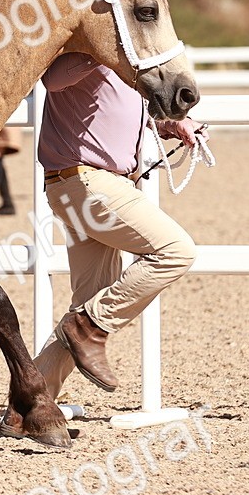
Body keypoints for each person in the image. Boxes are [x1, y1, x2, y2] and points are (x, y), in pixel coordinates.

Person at [33, 52, 203, 400]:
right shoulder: (86, 54)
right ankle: (88, 327)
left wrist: (170, 126)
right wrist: (103, 55)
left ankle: (29, 405)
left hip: (90, 185)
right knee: (176, 251)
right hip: (89, 184)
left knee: (88, 301)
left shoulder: (126, 69)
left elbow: (117, 116)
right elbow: (52, 80)